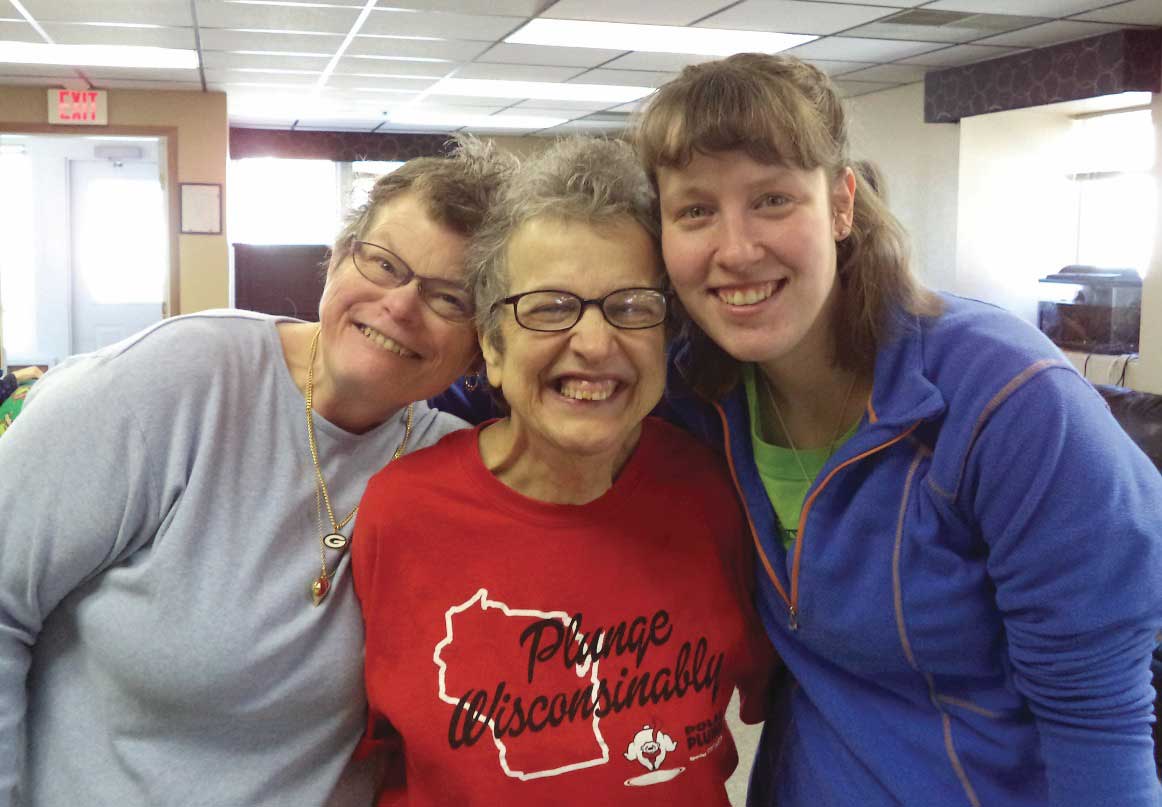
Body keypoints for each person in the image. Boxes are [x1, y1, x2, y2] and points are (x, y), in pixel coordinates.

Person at [631, 53, 1162, 806]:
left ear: (841, 204)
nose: (736, 248)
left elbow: (1098, 725)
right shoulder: (692, 393)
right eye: (695, 211)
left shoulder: (1007, 402)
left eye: (773, 200)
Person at [0, 139, 513, 807]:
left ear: (483, 340)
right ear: (337, 256)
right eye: (384, 262)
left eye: (449, 297)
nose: (401, 304)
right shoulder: (177, 382)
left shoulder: (453, 471)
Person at [351, 137, 773, 806]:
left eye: (631, 307)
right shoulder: (399, 512)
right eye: (549, 307)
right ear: (493, 345)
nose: (596, 343)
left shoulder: (712, 492)